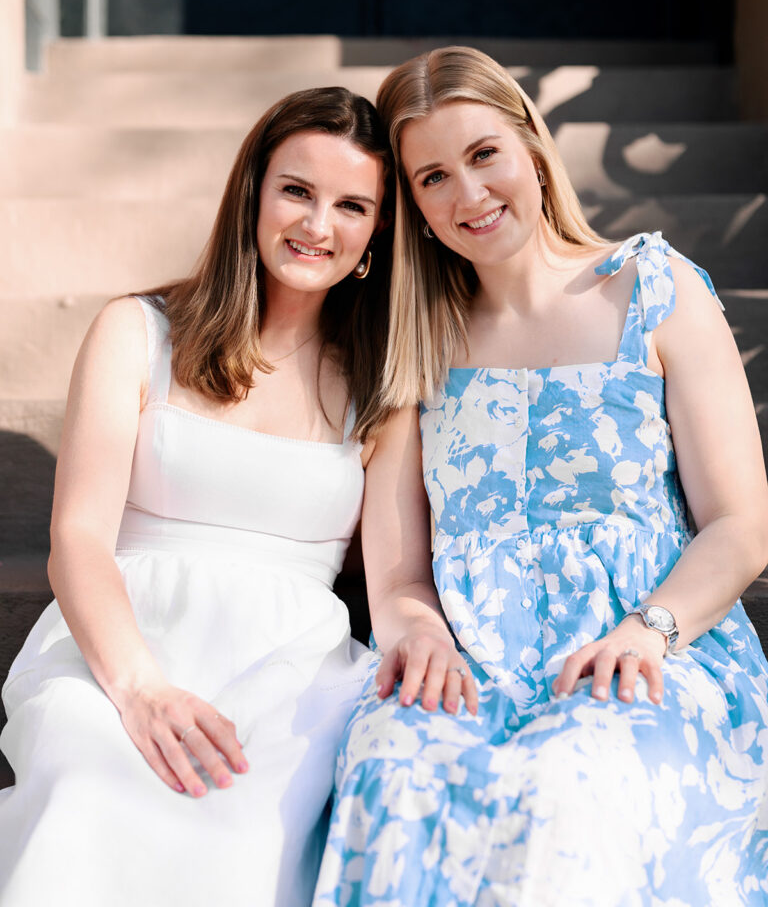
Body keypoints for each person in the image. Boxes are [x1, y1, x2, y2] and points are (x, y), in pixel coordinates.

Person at [312, 48, 768, 907]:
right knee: (395, 766)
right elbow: (402, 571)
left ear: (530, 143)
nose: (470, 196)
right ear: (410, 204)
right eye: (433, 178)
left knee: (571, 778)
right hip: (469, 655)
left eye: (484, 155)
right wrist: (419, 633)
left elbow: (740, 526)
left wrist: (649, 629)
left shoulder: (653, 289)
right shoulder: (417, 337)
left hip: (651, 646)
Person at [0, 86, 469, 907]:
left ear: (376, 233)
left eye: (351, 205)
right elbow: (77, 537)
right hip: (121, 643)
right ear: (252, 191)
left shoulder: (381, 385)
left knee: (246, 826)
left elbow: (394, 581)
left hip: (292, 670)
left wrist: (424, 633)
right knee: (89, 777)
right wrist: (139, 687)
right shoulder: (137, 331)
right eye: (296, 191)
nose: (317, 225)